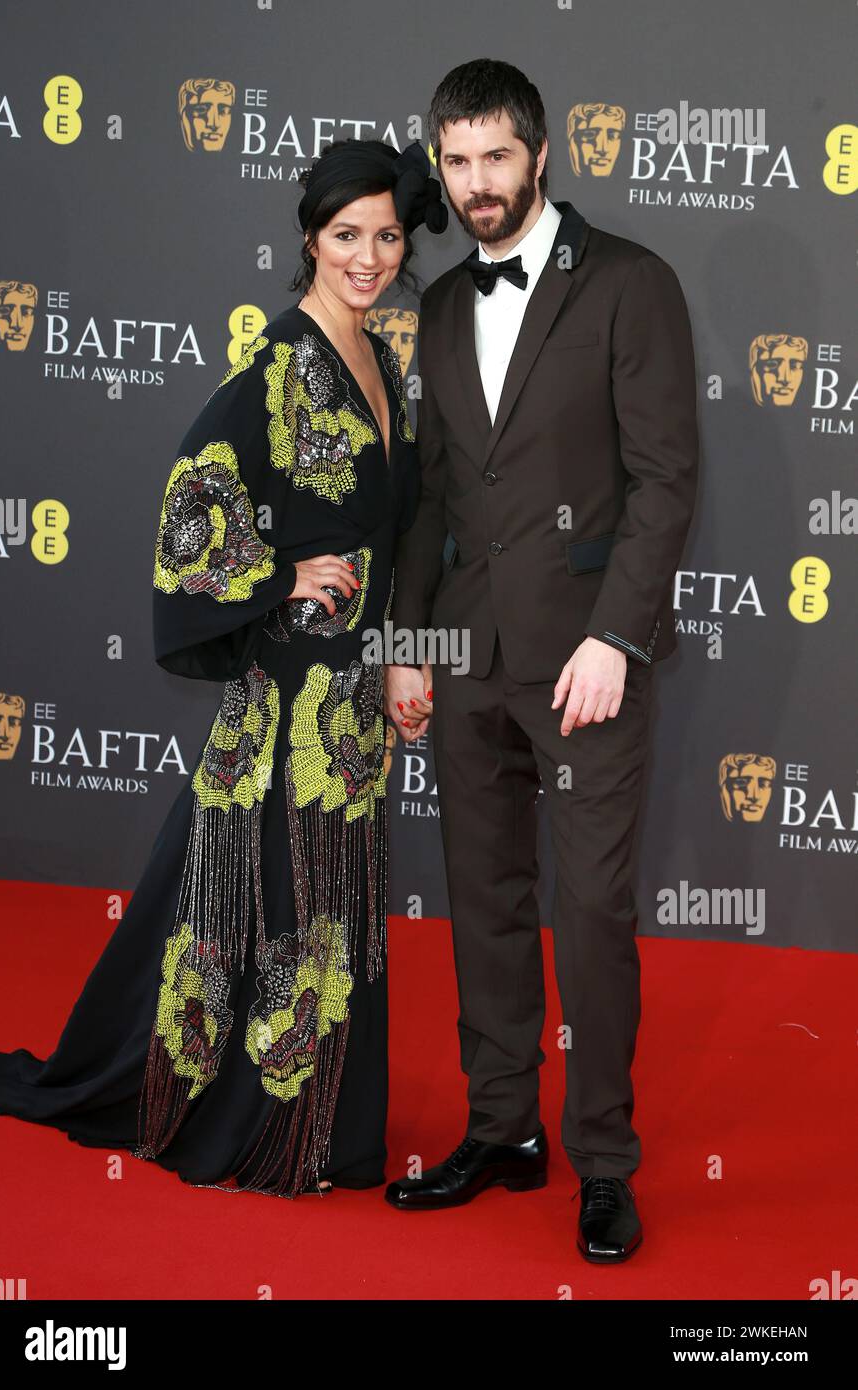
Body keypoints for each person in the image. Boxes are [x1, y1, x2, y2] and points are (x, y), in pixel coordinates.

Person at [0, 138, 447, 1200]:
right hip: (288, 700)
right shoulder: (281, 365)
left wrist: (407, 658)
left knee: (331, 904)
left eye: (384, 237)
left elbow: (408, 528)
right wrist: (278, 572)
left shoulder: (382, 365)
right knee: (273, 900)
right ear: (309, 242)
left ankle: (327, 1125)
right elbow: (197, 502)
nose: (367, 258)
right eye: (344, 238)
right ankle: (259, 1122)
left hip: (357, 696)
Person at [383, 60, 699, 1262]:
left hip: (585, 664)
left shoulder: (628, 284)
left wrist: (616, 635)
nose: (474, 187)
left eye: (493, 160)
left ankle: (603, 1160)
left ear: (540, 153)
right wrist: (412, 647)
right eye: (454, 164)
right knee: (484, 901)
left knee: (591, 909)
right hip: (465, 655)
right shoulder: (447, 304)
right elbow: (429, 499)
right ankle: (503, 1125)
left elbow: (667, 480)